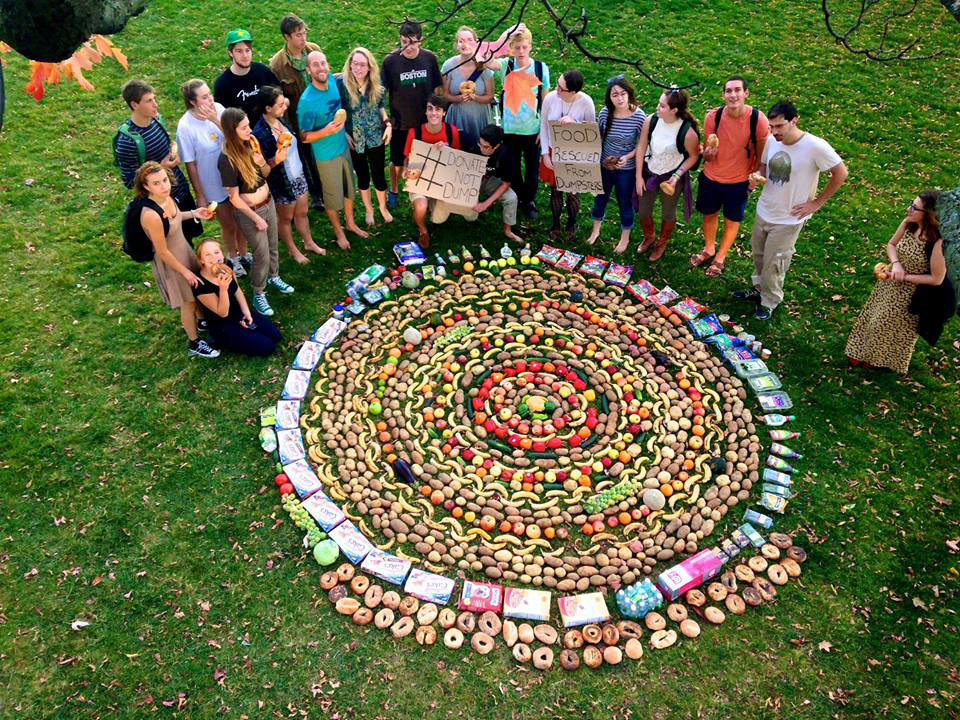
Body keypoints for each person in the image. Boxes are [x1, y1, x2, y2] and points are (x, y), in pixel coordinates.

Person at [732, 100, 848, 320]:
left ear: (794, 121)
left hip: (788, 218)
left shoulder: (815, 146)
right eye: (771, 127)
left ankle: (770, 301)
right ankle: (759, 289)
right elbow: (764, 165)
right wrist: (758, 176)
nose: (774, 132)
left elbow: (841, 173)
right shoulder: (771, 141)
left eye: (779, 126)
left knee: (775, 262)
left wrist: (816, 203)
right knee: (759, 255)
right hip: (764, 210)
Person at [846, 191, 955, 372]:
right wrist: (896, 264)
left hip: (913, 293)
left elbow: (937, 279)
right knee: (873, 318)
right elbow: (891, 245)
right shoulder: (909, 223)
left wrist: (904, 277)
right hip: (889, 283)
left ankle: (881, 360)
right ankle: (859, 351)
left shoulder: (939, 243)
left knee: (889, 327)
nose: (908, 210)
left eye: (914, 208)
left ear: (929, 214)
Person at [132, 162, 219, 358]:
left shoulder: (167, 198)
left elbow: (176, 217)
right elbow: (162, 252)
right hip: (172, 263)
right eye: (156, 183)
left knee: (195, 293)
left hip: (184, 251)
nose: (164, 186)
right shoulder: (151, 215)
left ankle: (201, 320)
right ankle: (194, 342)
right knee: (187, 301)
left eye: (164, 180)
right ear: (146, 187)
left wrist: (195, 213)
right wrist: (185, 272)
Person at [690, 76, 770, 278]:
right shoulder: (713, 118)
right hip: (711, 177)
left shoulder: (757, 120)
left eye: (737, 90)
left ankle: (720, 257)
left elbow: (763, 153)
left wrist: (757, 175)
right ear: (723, 94)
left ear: (746, 93)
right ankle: (709, 249)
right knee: (709, 214)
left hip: (739, 181)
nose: (733, 95)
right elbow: (707, 154)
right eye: (728, 91)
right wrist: (708, 154)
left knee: (731, 220)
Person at [219, 107, 294, 318]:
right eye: (244, 128)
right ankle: (258, 292)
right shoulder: (226, 159)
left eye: (248, 125)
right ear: (231, 131)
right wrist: (255, 219)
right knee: (260, 253)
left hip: (267, 202)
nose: (249, 130)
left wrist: (265, 162)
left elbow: (266, 174)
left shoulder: (251, 143)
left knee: (272, 245)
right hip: (250, 211)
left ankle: (274, 276)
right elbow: (234, 198)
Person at [298, 50, 369, 250]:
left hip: (343, 148)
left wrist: (344, 133)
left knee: (349, 188)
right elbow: (303, 136)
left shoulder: (333, 81)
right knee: (332, 198)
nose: (321, 68)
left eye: (323, 63)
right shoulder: (307, 102)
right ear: (308, 70)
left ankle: (351, 223)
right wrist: (326, 131)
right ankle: (339, 232)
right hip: (325, 156)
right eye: (315, 65)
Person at [176, 78, 246, 276]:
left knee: (241, 218)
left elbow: (236, 136)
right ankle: (232, 257)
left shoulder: (219, 109)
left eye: (210, 94)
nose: (210, 99)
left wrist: (215, 119)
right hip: (212, 181)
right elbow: (190, 163)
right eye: (204, 97)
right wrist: (200, 194)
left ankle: (244, 253)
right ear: (193, 101)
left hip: (233, 175)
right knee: (229, 223)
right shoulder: (185, 126)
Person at [114, 79, 199, 237]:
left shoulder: (157, 120)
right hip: (160, 202)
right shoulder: (127, 141)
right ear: (134, 105)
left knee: (190, 236)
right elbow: (129, 181)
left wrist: (173, 151)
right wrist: (162, 168)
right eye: (149, 101)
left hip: (180, 190)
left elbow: (165, 149)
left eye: (154, 99)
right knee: (173, 242)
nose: (156, 105)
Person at [253, 85, 326, 264]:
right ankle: (294, 250)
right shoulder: (260, 133)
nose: (284, 106)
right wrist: (276, 159)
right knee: (286, 218)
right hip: (281, 183)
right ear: (267, 108)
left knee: (303, 212)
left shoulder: (281, 120)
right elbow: (261, 167)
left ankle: (308, 243)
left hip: (298, 175)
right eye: (279, 105)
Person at [486, 27, 550, 221]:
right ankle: (521, 196)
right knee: (512, 168)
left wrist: (544, 129)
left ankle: (528, 201)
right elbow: (484, 59)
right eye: (516, 48)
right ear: (511, 48)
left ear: (530, 47)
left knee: (532, 169)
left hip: (533, 129)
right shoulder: (506, 65)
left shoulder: (540, 68)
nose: (521, 51)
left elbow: (545, 100)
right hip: (510, 129)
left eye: (524, 47)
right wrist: (504, 36)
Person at [380, 20, 443, 210]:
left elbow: (437, 89)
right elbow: (382, 91)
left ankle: (423, 190)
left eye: (412, 42)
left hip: (424, 122)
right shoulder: (390, 61)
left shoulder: (429, 59)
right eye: (403, 41)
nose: (408, 47)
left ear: (420, 41)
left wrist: (435, 115)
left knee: (423, 159)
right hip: (401, 122)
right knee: (397, 162)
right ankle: (394, 189)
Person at [634, 87, 701, 260]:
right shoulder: (651, 120)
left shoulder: (687, 132)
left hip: (671, 177)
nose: (658, 108)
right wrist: (638, 176)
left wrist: (677, 175)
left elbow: (693, 156)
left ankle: (661, 242)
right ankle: (649, 236)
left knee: (668, 213)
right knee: (643, 211)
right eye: (659, 103)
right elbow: (641, 146)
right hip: (649, 173)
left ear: (674, 110)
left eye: (662, 106)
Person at [268, 14, 324, 210]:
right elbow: (278, 100)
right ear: (287, 37)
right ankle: (317, 194)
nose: (303, 38)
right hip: (298, 121)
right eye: (298, 34)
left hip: (321, 115)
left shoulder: (314, 50)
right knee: (307, 157)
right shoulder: (277, 65)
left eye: (304, 32)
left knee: (324, 152)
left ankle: (330, 185)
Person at [586, 75, 646, 253]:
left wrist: (627, 158)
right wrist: (598, 161)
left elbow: (642, 145)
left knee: (624, 202)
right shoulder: (605, 113)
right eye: (614, 95)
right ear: (609, 97)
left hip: (626, 169)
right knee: (600, 198)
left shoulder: (639, 117)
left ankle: (624, 238)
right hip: (604, 165)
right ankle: (595, 230)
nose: (619, 98)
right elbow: (599, 137)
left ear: (629, 94)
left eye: (622, 93)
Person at [193, 239, 283, 357]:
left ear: (222, 253)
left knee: (276, 336)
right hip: (222, 325)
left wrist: (246, 313)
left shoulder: (226, 266)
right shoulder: (200, 284)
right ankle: (226, 340)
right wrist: (223, 289)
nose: (214, 257)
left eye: (216, 252)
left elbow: (237, 291)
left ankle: (246, 332)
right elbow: (222, 313)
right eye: (207, 254)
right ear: (201, 260)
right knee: (267, 347)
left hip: (237, 313)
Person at [539, 69, 595, 240]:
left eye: (561, 88)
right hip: (553, 150)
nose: (556, 90)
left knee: (572, 192)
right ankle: (555, 223)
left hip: (574, 153)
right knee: (556, 189)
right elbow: (543, 125)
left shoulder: (586, 102)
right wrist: (545, 153)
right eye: (557, 84)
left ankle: (571, 222)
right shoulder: (550, 98)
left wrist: (575, 123)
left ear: (572, 92)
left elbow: (591, 130)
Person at [339, 47, 393, 226]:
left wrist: (388, 124)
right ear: (350, 64)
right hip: (355, 139)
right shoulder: (342, 85)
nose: (358, 68)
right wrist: (344, 133)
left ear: (369, 67)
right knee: (363, 176)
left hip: (375, 136)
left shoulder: (377, 86)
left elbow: (380, 107)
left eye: (362, 65)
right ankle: (369, 209)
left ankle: (382, 207)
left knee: (378, 174)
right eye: (355, 64)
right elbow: (337, 112)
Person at [402, 94, 462, 248]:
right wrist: (405, 169)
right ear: (426, 112)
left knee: (440, 219)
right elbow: (407, 159)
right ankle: (423, 230)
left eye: (438, 109)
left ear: (444, 113)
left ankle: (434, 208)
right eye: (430, 109)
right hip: (420, 180)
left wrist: (447, 151)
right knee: (421, 206)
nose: (434, 113)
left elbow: (458, 161)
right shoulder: (415, 133)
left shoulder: (452, 132)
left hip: (442, 180)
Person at [441, 27, 495, 148]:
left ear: (476, 43)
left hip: (480, 117)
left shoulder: (484, 65)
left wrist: (475, 97)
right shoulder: (449, 65)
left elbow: (490, 96)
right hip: (457, 117)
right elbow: (445, 94)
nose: (465, 44)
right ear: (456, 44)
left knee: (479, 152)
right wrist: (459, 98)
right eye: (461, 41)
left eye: (469, 40)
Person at [213, 29, 280, 121]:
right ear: (230, 53)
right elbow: (224, 119)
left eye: (247, 50)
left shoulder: (263, 71)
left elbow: (280, 95)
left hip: (273, 126)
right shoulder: (223, 84)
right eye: (239, 51)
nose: (245, 55)